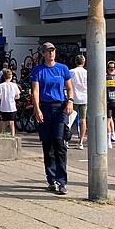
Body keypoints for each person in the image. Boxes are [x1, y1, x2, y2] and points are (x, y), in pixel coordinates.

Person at [30, 42, 74, 195]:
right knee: (47, 145)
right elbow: (35, 91)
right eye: (48, 51)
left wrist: (70, 101)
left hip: (59, 108)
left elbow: (69, 88)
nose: (51, 54)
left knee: (59, 142)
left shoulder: (62, 69)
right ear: (42, 53)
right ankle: (51, 179)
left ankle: (62, 181)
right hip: (45, 107)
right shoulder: (38, 70)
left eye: (53, 51)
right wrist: (37, 109)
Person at [70, 55, 88, 149]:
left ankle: (66, 140)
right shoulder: (86, 72)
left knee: (69, 120)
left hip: (73, 98)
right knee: (83, 120)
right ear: (84, 62)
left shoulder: (71, 72)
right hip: (84, 98)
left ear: (75, 62)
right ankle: (81, 142)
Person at [0, 68, 20, 137]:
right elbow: (18, 96)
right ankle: (12, 135)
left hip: (4, 106)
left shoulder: (1, 85)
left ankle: (1, 135)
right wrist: (13, 98)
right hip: (12, 106)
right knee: (12, 122)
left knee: (3, 122)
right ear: (11, 77)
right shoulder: (14, 85)